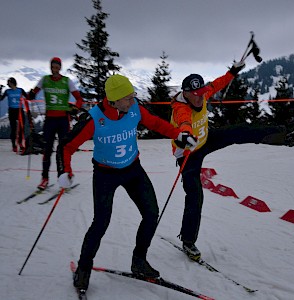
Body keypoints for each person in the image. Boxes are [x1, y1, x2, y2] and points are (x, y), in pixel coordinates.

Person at [56, 74, 197, 291]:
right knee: (100, 223)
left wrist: (179, 135)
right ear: (113, 100)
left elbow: (157, 124)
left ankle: (139, 261)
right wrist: (65, 171)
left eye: (133, 96)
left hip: (133, 169)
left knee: (151, 214)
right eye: (128, 98)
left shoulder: (134, 109)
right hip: (105, 174)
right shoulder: (94, 119)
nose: (133, 101)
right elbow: (66, 146)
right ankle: (83, 269)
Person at [169, 62, 294, 260]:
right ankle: (188, 241)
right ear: (186, 93)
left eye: (201, 92)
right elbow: (184, 123)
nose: (200, 96)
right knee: (195, 196)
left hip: (205, 139)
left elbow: (218, 84)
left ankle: (285, 136)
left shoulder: (203, 93)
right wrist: (186, 135)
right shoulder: (181, 109)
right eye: (195, 94)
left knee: (239, 131)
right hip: (188, 153)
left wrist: (232, 71)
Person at [29, 57, 84, 190]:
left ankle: (63, 177)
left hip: (63, 120)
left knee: (62, 150)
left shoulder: (66, 81)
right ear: (51, 67)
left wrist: (76, 108)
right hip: (50, 120)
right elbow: (33, 93)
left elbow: (79, 99)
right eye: (53, 66)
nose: (55, 68)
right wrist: (30, 95)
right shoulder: (45, 80)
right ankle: (45, 178)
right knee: (47, 150)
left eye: (57, 66)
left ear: (60, 67)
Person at [0, 77, 28, 152]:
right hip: (12, 110)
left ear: (12, 83)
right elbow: (1, 98)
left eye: (9, 83)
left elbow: (28, 97)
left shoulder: (20, 90)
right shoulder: (7, 91)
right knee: (13, 128)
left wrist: (32, 93)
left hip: (19, 110)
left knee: (21, 128)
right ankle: (14, 145)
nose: (8, 85)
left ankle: (20, 143)